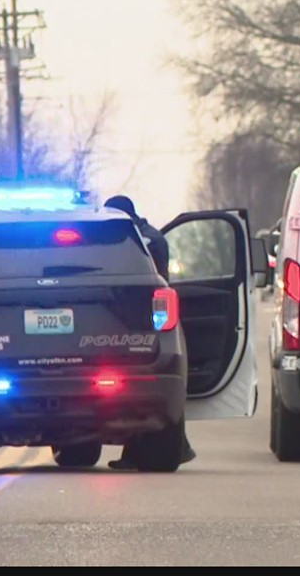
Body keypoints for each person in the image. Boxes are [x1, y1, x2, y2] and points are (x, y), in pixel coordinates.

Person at [103, 195, 196, 470]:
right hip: (148, 316)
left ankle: (151, 451)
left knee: (140, 388)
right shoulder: (148, 236)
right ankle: (177, 446)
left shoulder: (143, 241)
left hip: (145, 319)